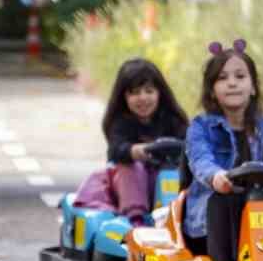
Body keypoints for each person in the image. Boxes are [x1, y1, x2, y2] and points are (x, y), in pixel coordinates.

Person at [182, 39, 263, 261]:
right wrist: (216, 177)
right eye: (222, 78)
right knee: (221, 200)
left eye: (240, 76)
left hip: (256, 208)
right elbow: (200, 159)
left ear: (253, 87)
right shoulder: (201, 127)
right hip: (208, 218)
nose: (232, 83)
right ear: (212, 91)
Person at [71, 58, 189, 225]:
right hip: (128, 186)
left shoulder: (172, 119)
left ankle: (180, 217)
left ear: (160, 93)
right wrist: (135, 151)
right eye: (135, 93)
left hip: (165, 183)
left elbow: (190, 142)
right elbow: (115, 150)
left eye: (149, 91)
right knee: (131, 166)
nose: (142, 98)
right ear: (123, 97)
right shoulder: (121, 122)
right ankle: (136, 220)